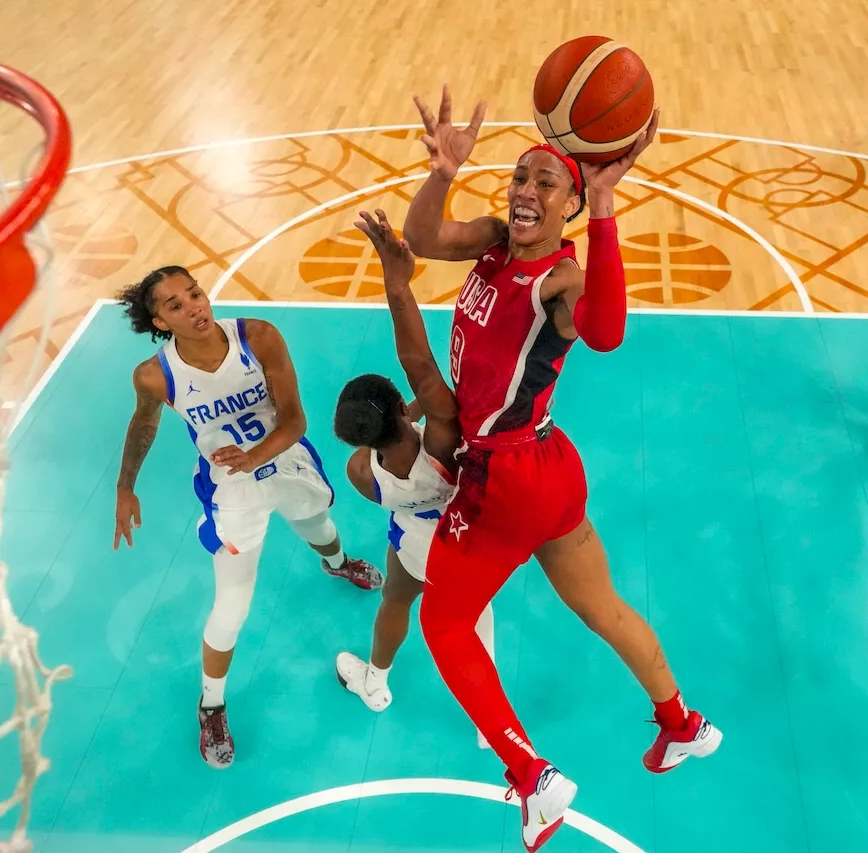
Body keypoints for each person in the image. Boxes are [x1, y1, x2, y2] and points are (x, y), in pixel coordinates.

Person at [377, 85, 721, 852]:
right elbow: (423, 235)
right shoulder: (496, 240)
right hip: (548, 465)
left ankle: (532, 777)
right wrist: (443, 171)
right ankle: (682, 723)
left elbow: (605, 332)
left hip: (507, 479)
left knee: (442, 619)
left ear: (569, 205)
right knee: (603, 608)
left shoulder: (562, 280)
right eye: (521, 177)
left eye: (548, 184)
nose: (527, 191)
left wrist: (605, 207)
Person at [112, 265, 383, 770]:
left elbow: (296, 419)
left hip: (284, 459)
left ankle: (337, 563)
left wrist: (256, 456)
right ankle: (210, 704)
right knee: (231, 607)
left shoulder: (257, 337)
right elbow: (143, 423)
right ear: (160, 320)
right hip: (230, 490)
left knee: (320, 527)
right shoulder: (154, 375)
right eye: (175, 305)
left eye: (194, 293)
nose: (193, 306)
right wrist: (125, 487)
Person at [331, 374, 495, 750]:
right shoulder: (443, 442)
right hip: (470, 542)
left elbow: (396, 433)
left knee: (396, 600)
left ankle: (374, 684)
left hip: (415, 547)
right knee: (476, 622)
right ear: (403, 409)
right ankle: (488, 723)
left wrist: (405, 413)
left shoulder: (358, 470)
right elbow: (439, 395)